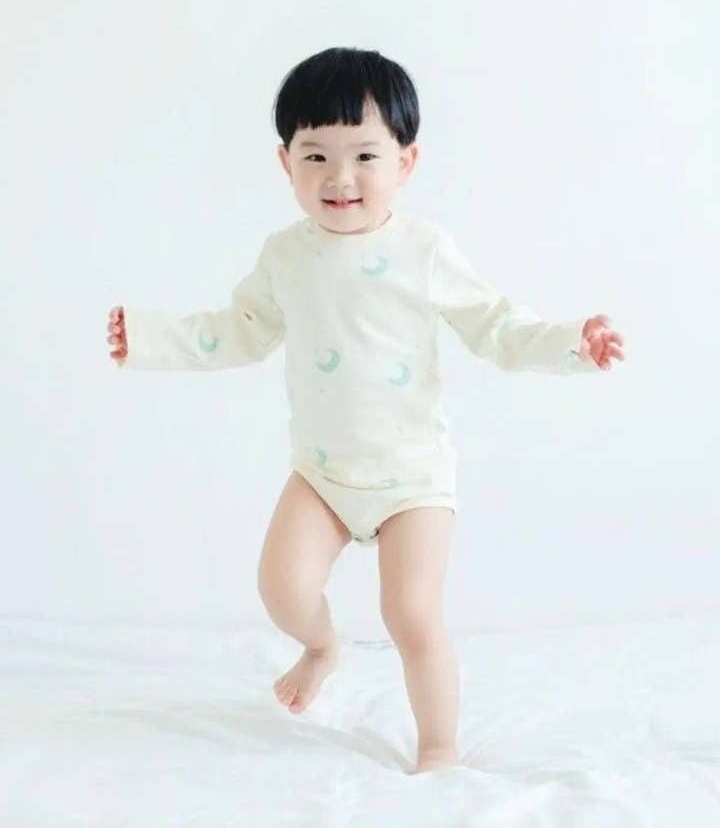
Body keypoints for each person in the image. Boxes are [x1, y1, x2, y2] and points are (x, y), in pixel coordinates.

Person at [106, 46, 626, 773]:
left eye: (364, 157)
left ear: (406, 163)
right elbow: (238, 330)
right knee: (282, 590)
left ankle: (438, 745)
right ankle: (322, 648)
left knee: (410, 613)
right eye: (315, 156)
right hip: (322, 473)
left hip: (413, 478)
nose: (339, 178)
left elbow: (496, 327)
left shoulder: (424, 251)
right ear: (285, 163)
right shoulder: (285, 256)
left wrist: (572, 342)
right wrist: (151, 338)